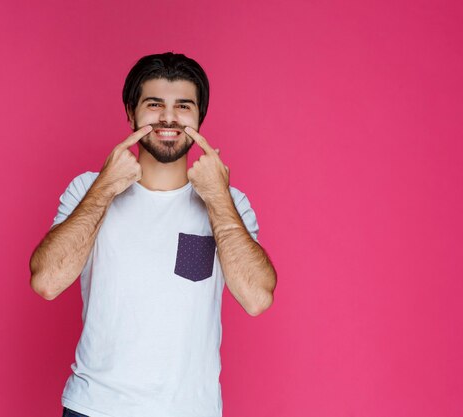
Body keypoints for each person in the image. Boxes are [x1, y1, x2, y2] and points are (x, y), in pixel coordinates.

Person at [29, 52, 277, 417]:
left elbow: (257, 298)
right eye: (154, 104)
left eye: (184, 106)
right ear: (131, 113)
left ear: (199, 118)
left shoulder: (229, 202)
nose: (169, 118)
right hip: (94, 407)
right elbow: (47, 281)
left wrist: (218, 199)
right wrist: (104, 187)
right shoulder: (88, 189)